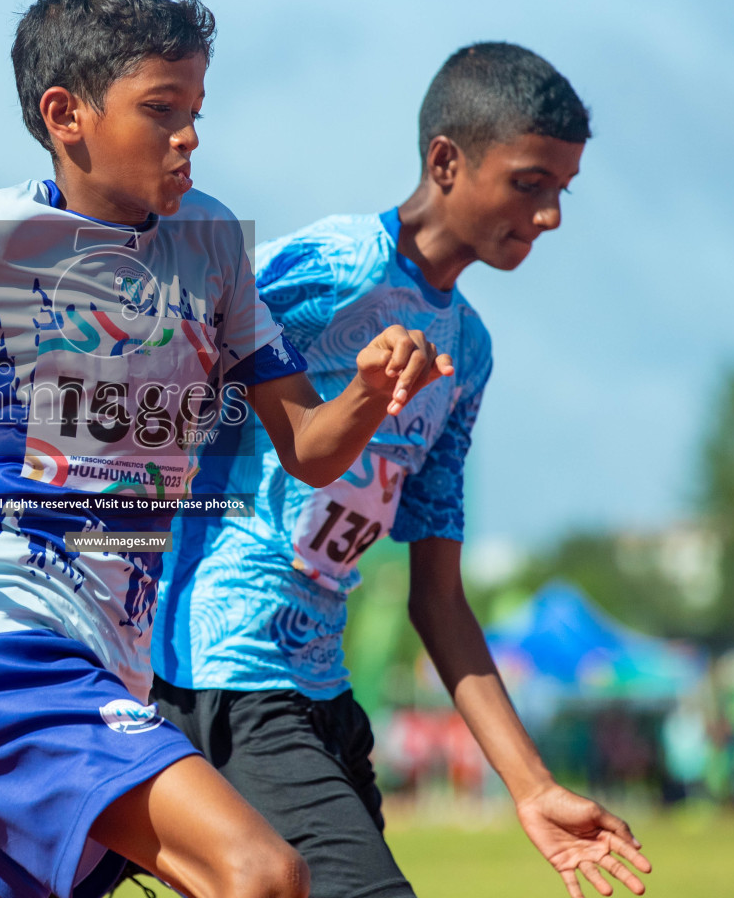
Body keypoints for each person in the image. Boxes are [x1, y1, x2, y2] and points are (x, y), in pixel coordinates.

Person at [0, 0, 453, 898]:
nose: (188, 138)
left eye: (197, 110)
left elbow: (312, 450)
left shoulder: (210, 247)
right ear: (64, 115)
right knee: (260, 875)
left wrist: (371, 393)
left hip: (110, 658)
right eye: (161, 110)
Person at [152, 43, 654, 898]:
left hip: (323, 691)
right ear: (446, 162)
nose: (550, 216)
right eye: (530, 183)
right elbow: (166, 348)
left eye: (562, 191)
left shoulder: (471, 352)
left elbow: (439, 597)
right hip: (221, 668)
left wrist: (531, 786)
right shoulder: (340, 267)